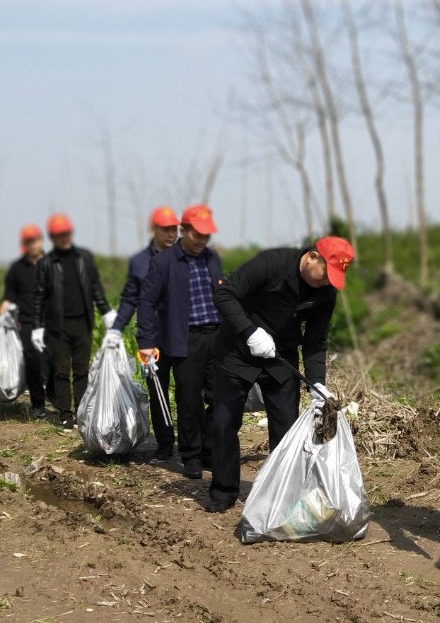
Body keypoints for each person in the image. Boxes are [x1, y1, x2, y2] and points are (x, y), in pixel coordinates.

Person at [205, 236, 352, 513]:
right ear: (311, 257)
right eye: (326, 274)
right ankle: (224, 490)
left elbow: (315, 342)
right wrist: (250, 332)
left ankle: (281, 492)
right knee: (224, 423)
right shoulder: (272, 263)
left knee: (286, 430)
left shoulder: (325, 293)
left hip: (279, 359)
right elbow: (225, 295)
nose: (327, 282)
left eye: (334, 278)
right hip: (237, 352)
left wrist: (317, 383)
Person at [137, 204, 223, 474]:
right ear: (183, 230)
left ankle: (210, 450)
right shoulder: (164, 263)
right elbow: (147, 303)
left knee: (219, 397)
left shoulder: (213, 259)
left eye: (206, 236)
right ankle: (192, 455)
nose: (202, 241)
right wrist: (146, 341)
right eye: (197, 235)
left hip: (216, 336)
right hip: (186, 339)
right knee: (189, 400)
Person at [30, 213, 115, 429]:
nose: (64, 238)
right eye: (59, 235)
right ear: (52, 237)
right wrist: (37, 327)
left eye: (66, 233)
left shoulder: (84, 257)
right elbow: (39, 296)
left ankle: (81, 411)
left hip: (82, 322)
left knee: (81, 369)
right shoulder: (46, 263)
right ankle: (65, 414)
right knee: (60, 370)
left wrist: (105, 311)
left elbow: (95, 286)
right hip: (57, 325)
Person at [0, 223, 52, 417]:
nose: (33, 245)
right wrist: (2, 310)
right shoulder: (17, 268)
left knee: (51, 360)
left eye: (35, 240)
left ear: (41, 240)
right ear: (25, 244)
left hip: (50, 321)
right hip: (27, 321)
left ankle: (53, 394)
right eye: (29, 242)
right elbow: (10, 293)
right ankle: (38, 404)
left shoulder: (53, 263)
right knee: (32, 360)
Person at [110, 206, 179, 339]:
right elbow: (130, 299)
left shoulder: (184, 258)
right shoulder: (139, 262)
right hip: (152, 336)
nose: (171, 234)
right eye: (166, 229)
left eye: (174, 229)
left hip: (182, 336)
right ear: (153, 229)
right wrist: (116, 329)